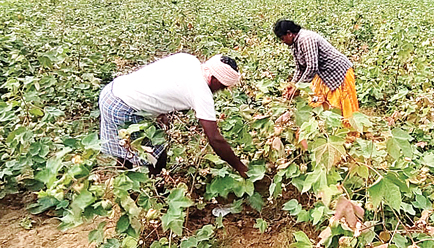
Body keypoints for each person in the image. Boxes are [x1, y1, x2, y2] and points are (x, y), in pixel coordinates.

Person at [98, 53, 248, 178]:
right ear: (214, 78)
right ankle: (155, 194)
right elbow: (214, 138)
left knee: (126, 146)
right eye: (222, 86)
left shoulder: (188, 60)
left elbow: (161, 77)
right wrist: (240, 167)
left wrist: (162, 111)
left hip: (113, 91)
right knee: (156, 157)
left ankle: (122, 186)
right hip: (122, 107)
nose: (220, 90)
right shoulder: (201, 90)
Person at [273, 19, 359, 122]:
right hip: (323, 73)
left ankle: (348, 133)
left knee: (340, 104)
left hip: (337, 72)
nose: (283, 42)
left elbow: (312, 67)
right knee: (317, 101)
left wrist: (297, 88)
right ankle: (323, 127)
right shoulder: (294, 44)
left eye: (283, 38)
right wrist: (292, 84)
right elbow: (300, 68)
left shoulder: (306, 39)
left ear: (289, 33)